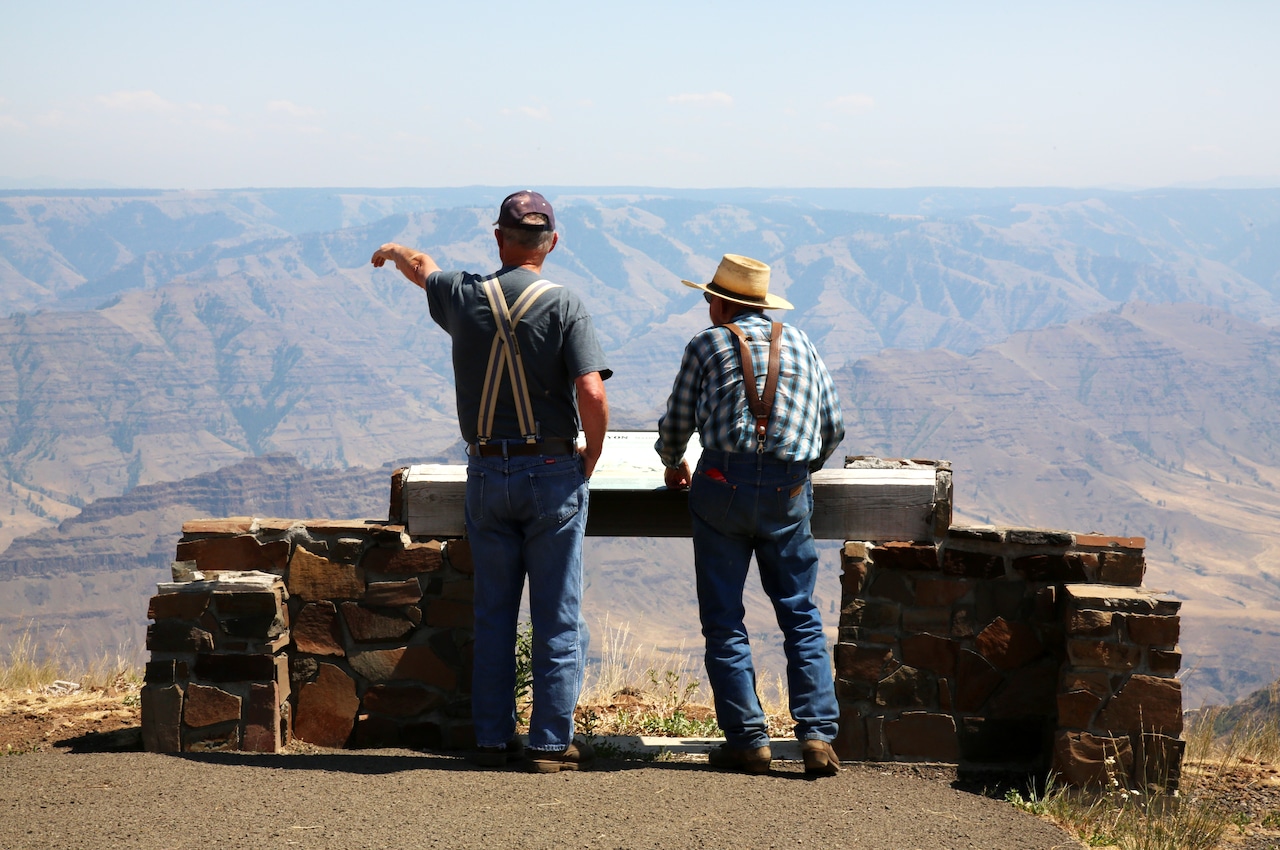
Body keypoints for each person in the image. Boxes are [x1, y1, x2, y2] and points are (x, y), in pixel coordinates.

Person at [371, 190, 610, 773]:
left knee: (493, 614)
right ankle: (551, 745)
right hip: (552, 472)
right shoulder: (565, 305)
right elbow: (592, 392)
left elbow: (422, 268)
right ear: (550, 243)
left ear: (499, 238)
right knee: (557, 615)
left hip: (485, 472)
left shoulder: (462, 295)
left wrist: (395, 251)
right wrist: (590, 458)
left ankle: (489, 737)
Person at [655, 253, 845, 776]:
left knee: (723, 616)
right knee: (800, 613)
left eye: (709, 296)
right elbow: (833, 425)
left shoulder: (705, 344)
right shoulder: (802, 342)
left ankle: (747, 739)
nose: (706, 304)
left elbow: (676, 423)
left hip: (720, 485)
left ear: (721, 303)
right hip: (788, 488)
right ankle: (816, 738)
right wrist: (802, 470)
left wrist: (674, 466)